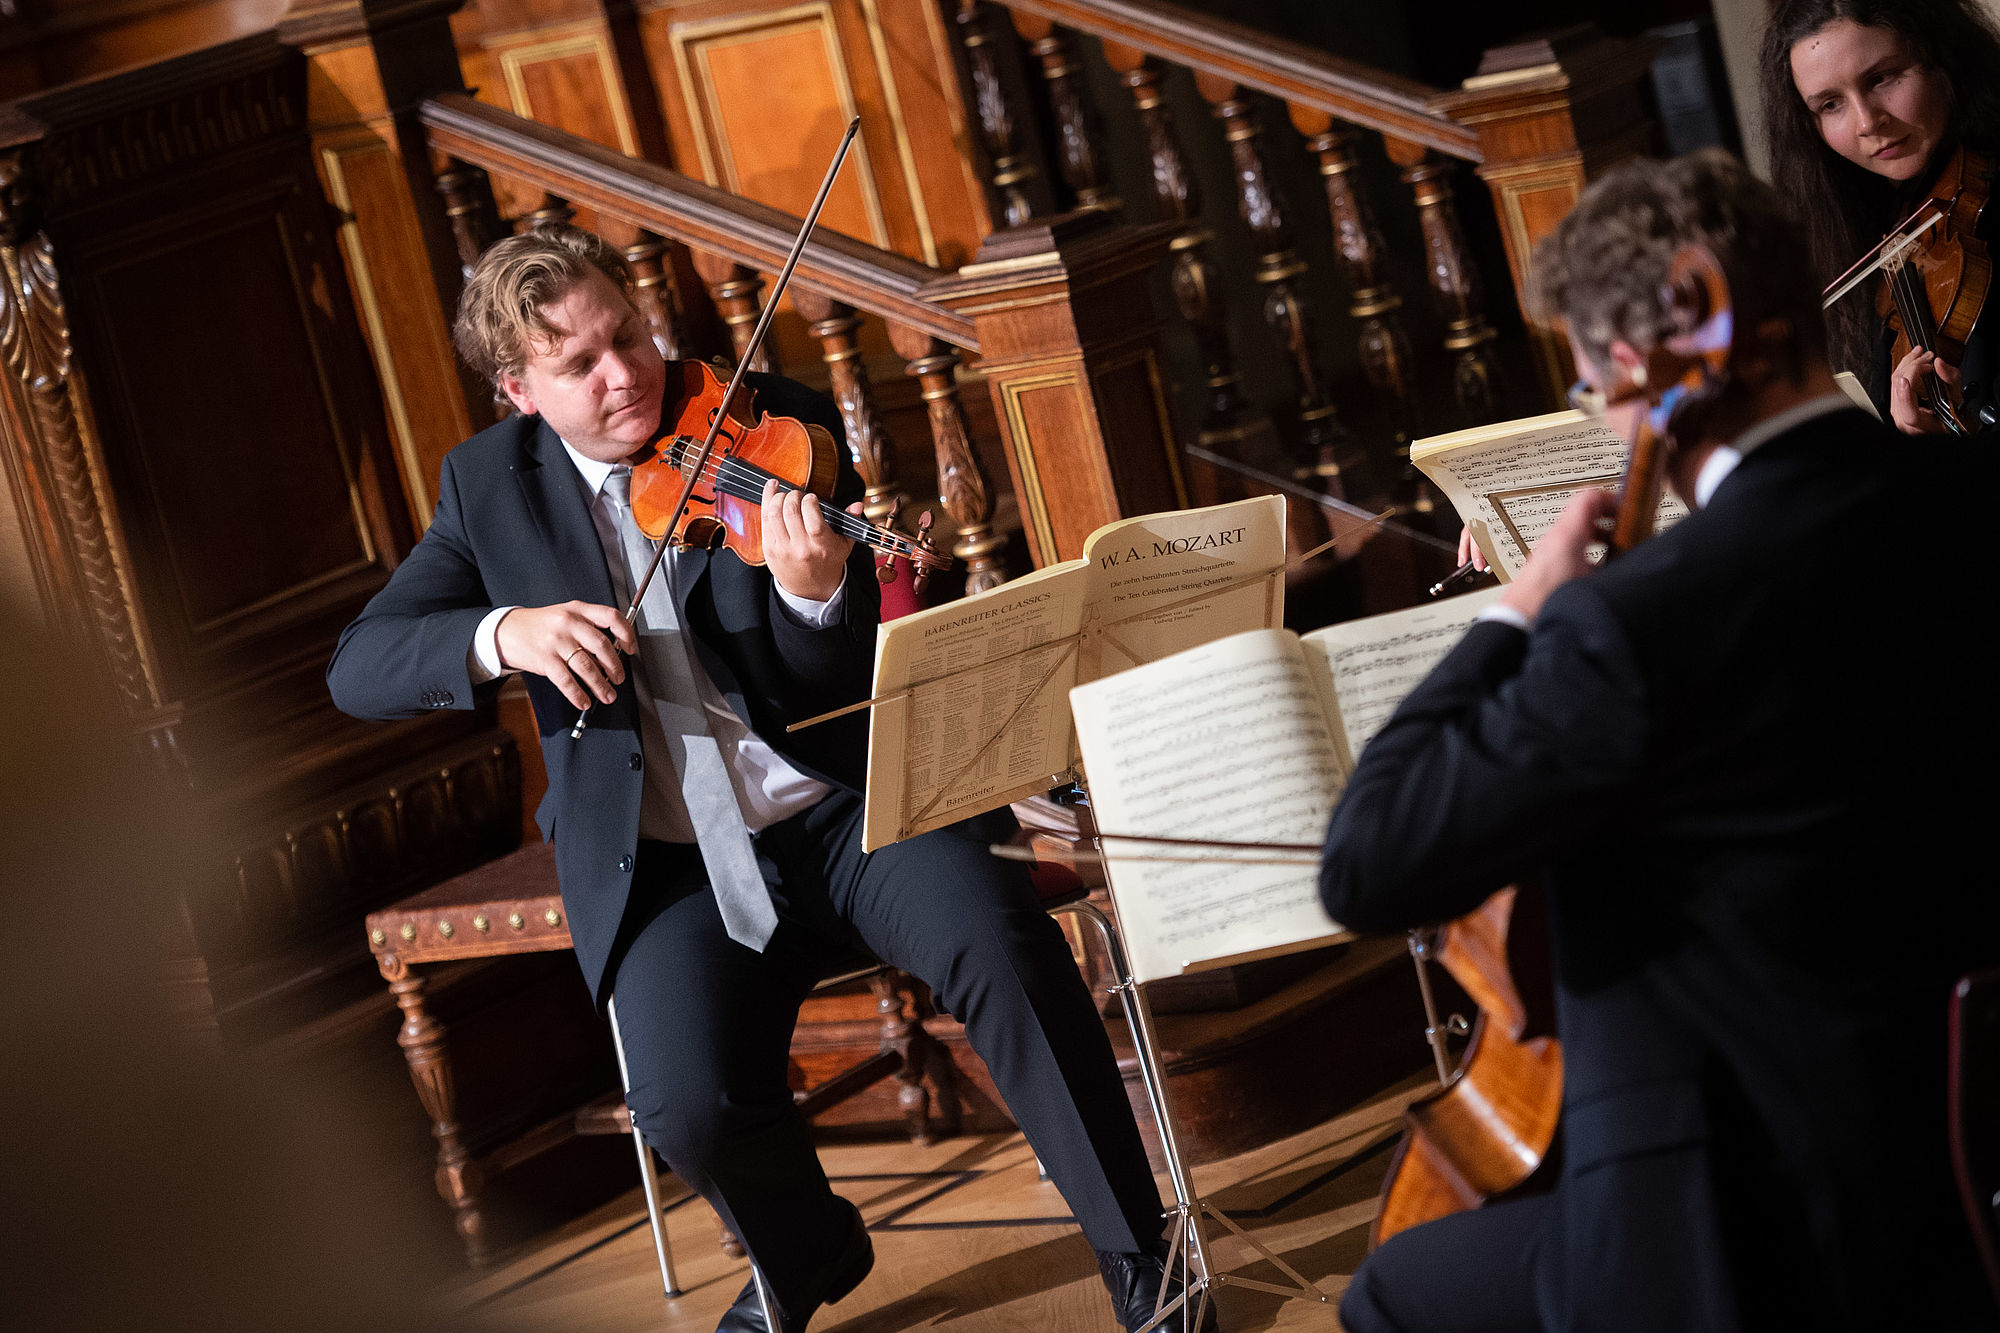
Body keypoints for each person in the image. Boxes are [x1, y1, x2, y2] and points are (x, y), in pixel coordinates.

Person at [327, 225, 1208, 1333]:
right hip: (670, 863)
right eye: (580, 363)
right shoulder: (488, 488)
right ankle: (808, 1249)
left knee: (1001, 944)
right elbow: (359, 664)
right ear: (519, 391)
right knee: (684, 1108)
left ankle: (1142, 1257)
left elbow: (838, 674)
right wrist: (504, 633)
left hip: (847, 807)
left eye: (628, 334)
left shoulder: (769, 417)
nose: (626, 374)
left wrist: (811, 593)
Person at [1321, 149, 1998, 1331]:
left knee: (1391, 1290)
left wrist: (1512, 615)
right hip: (1968, 1171)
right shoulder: (1971, 499)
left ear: (1655, 361)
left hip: (1754, 1239)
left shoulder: (1632, 625)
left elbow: (1367, 860)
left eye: (1598, 382)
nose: (1610, 412)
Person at [1762, 0, 2000, 433]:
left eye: (1882, 78)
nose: (1867, 121)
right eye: (1830, 104)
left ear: (1941, 57)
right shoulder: (1881, 222)